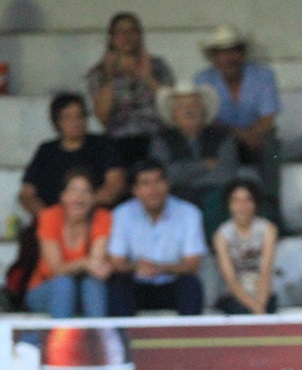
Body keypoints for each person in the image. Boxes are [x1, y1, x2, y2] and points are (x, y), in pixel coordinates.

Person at [8, 93, 125, 310]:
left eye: (80, 115)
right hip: (53, 234)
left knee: (93, 284)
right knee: (64, 283)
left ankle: (97, 341)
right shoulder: (47, 151)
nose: (75, 121)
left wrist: (83, 204)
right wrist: (51, 215)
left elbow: (115, 184)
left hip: (92, 218)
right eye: (68, 117)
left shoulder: (102, 145)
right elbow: (26, 194)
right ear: (57, 122)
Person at [194, 25, 282, 220]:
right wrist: (241, 135)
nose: (229, 58)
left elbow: (269, 117)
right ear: (215, 57)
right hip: (222, 138)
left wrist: (253, 134)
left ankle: (271, 207)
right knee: (223, 145)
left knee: (272, 148)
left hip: (258, 137)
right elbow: (207, 120)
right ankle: (225, 213)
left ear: (242, 54)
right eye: (223, 53)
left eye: (234, 51)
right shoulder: (203, 79)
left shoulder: (263, 75)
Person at [106, 160, 207, 316]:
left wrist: (159, 268)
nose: (153, 189)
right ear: (135, 190)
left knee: (191, 284)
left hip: (172, 285)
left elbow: (192, 264)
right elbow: (117, 261)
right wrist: (135, 267)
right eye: (145, 183)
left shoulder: (189, 213)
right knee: (118, 284)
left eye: (158, 181)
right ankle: (123, 339)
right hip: (137, 285)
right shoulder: (122, 214)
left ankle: (189, 337)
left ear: (167, 184)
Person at [150, 80, 240, 238]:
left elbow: (225, 176)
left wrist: (184, 174)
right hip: (176, 197)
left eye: (194, 105)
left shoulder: (223, 137)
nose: (189, 110)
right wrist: (204, 165)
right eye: (181, 106)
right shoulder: (161, 140)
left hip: (214, 197)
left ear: (204, 111)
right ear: (173, 114)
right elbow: (165, 176)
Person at [86, 12, 175, 167]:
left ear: (139, 34)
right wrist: (110, 77)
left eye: (132, 31)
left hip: (155, 136)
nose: (126, 36)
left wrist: (148, 77)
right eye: (120, 31)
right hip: (119, 140)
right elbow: (103, 118)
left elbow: (171, 108)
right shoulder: (100, 73)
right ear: (112, 37)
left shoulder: (157, 65)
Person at [25, 170, 113, 319]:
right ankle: (61, 340)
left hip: (85, 291)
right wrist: (85, 263)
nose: (79, 196)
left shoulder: (102, 217)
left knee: (93, 284)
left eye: (86, 191)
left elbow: (96, 267)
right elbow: (57, 269)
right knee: (64, 283)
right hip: (45, 289)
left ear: (93, 198)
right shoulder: (49, 216)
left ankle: (99, 337)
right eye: (73, 190)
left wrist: (88, 265)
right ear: (63, 196)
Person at [213, 180, 279, 315]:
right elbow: (230, 280)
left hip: (262, 293)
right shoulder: (221, 235)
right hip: (233, 295)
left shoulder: (268, 229)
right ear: (229, 205)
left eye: (247, 200)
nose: (242, 206)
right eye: (236, 201)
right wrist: (255, 307)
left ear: (255, 203)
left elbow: (265, 272)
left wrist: (260, 304)